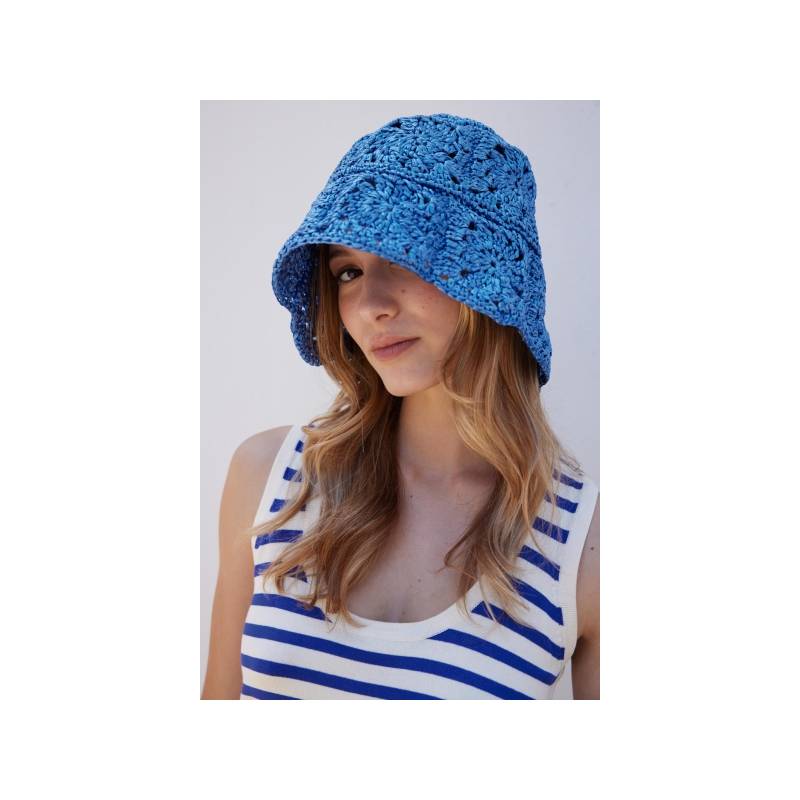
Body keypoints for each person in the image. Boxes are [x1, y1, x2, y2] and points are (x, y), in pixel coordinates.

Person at [202, 113, 600, 700]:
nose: (370, 305)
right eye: (348, 272)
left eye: (405, 257)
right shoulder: (269, 477)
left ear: (488, 277)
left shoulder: (583, 547)